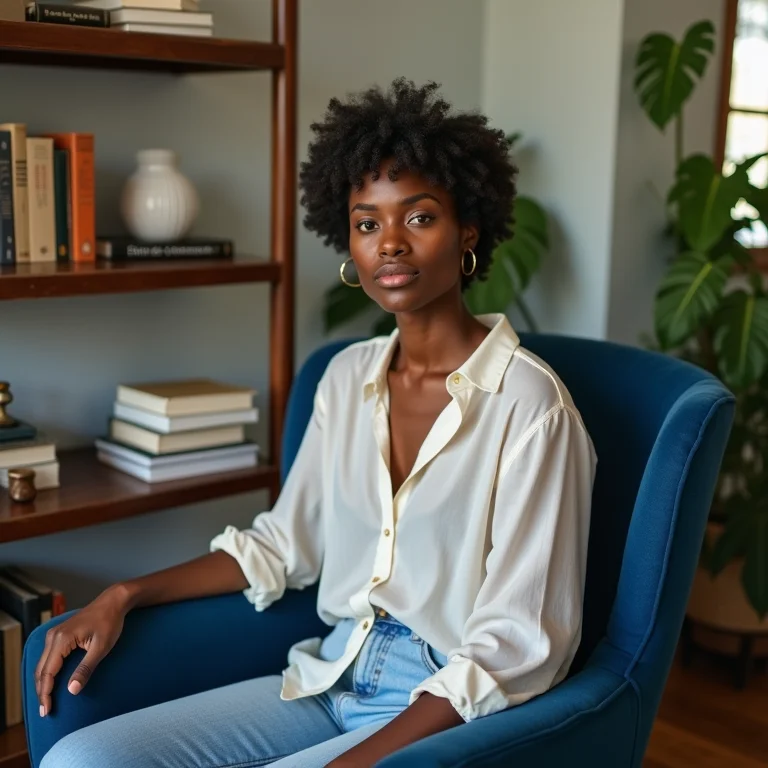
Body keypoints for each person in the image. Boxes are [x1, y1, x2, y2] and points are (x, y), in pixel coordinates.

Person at [37, 78, 597, 768]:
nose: (390, 243)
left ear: (468, 231)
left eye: (419, 218)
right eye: (368, 223)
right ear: (349, 244)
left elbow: (517, 642)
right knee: (83, 760)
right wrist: (124, 594)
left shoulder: (532, 408)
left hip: (445, 707)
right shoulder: (346, 378)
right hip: (330, 675)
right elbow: (281, 544)